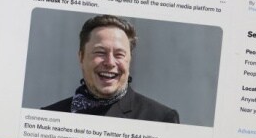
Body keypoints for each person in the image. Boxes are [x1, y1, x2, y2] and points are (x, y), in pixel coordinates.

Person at [42, 15, 179, 123]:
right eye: (100, 52)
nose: (110, 62)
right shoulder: (48, 116)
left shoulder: (160, 118)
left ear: (129, 60)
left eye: (119, 54)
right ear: (81, 57)